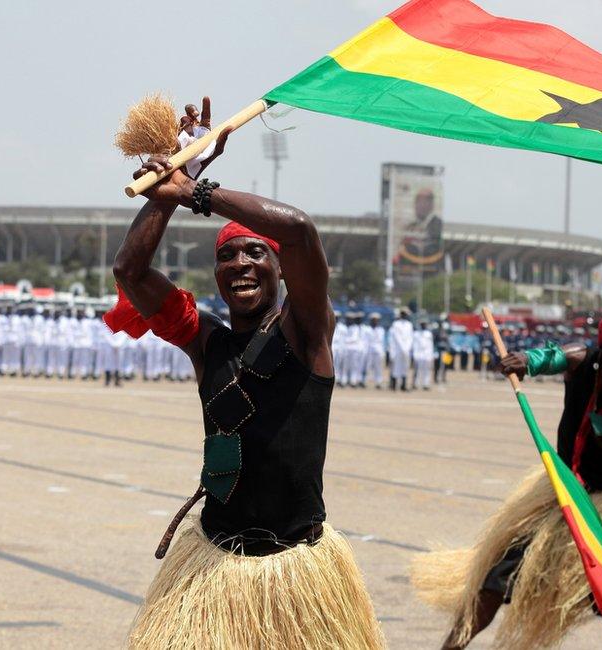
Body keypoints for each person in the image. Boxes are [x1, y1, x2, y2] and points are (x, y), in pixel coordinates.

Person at [106, 121, 383, 649]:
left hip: (298, 570)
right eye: (227, 257)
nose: (240, 265)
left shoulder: (309, 330)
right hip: (213, 563)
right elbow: (130, 270)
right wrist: (172, 181)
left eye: (256, 253)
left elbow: (300, 230)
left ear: (281, 268)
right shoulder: (204, 340)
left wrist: (196, 192)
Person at [413, 310, 602, 649]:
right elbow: (550, 357)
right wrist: (524, 362)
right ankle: (452, 646)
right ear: (601, 348)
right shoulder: (582, 362)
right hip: (564, 491)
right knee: (497, 576)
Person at [388, 308, 413, 391]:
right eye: (403, 314)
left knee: (405, 367)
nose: (404, 315)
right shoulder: (396, 324)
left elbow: (410, 337)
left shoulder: (409, 325)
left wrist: (407, 348)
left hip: (406, 349)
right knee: (397, 367)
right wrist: (403, 347)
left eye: (405, 314)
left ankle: (403, 385)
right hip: (398, 349)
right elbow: (397, 337)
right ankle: (394, 385)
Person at [364, 312, 386, 389]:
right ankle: (365, 382)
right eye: (373, 320)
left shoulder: (381, 330)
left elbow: (382, 341)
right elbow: (366, 341)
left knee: (378, 367)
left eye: (376, 320)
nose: (375, 321)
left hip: (378, 350)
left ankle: (378, 382)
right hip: (369, 350)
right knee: (368, 366)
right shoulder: (367, 329)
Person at [412, 320, 434, 390]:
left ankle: (426, 384)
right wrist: (414, 354)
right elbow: (414, 345)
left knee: (427, 370)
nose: (423, 325)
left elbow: (430, 345)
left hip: (427, 354)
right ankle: (416, 383)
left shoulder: (429, 334)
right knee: (417, 370)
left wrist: (431, 355)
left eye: (424, 324)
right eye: (422, 324)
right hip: (418, 354)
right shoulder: (416, 334)